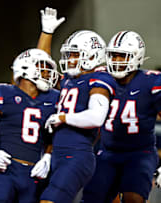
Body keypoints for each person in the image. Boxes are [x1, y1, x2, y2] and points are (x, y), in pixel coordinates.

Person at [82, 31, 161, 203]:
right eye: (113, 56)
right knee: (92, 199)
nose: (116, 61)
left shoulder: (151, 82)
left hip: (139, 154)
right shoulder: (102, 78)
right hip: (107, 153)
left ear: (137, 57)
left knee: (133, 199)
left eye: (122, 56)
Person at [36, 8, 116, 203]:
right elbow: (41, 66)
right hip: (57, 154)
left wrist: (63, 117)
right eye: (69, 54)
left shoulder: (99, 79)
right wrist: (47, 33)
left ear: (92, 56)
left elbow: (96, 116)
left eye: (75, 54)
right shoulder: (70, 81)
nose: (69, 59)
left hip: (77, 154)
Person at [0, 48, 60, 203]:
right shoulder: (4, 93)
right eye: (44, 68)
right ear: (26, 68)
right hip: (6, 171)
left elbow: (54, 136)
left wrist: (47, 157)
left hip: (33, 172)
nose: (48, 73)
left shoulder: (53, 98)